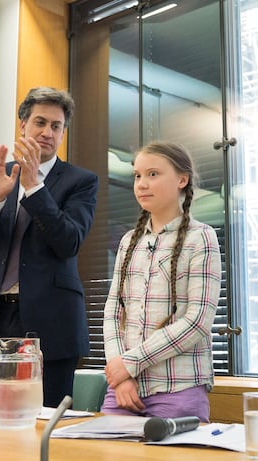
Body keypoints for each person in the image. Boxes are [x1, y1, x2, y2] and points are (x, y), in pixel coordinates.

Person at [0, 87, 99, 407]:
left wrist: (34, 188)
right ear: (22, 124)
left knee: (41, 427)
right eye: (40, 122)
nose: (47, 132)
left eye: (56, 126)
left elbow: (69, 242)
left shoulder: (80, 181)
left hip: (49, 323)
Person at [101, 141, 221, 421]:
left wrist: (130, 363)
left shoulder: (201, 238)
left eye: (153, 174)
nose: (142, 184)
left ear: (182, 179)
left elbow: (197, 321)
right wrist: (121, 377)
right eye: (137, 175)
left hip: (179, 389)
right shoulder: (128, 241)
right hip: (124, 389)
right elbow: (112, 313)